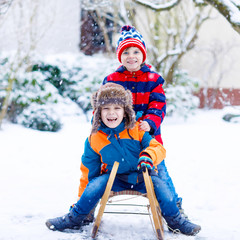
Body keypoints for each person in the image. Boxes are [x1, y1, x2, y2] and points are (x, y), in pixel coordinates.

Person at [45, 84, 201, 236]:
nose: (111, 113)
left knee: (163, 189)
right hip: (114, 178)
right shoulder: (95, 139)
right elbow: (88, 173)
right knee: (94, 185)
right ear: (98, 112)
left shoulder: (137, 130)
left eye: (117, 108)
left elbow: (158, 147)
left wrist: (148, 155)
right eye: (106, 108)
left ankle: (176, 221)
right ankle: (75, 217)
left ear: (125, 111)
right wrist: (84, 199)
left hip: (143, 177)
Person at [103, 25, 186, 216]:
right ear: (119, 56)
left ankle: (175, 208)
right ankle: (87, 206)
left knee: (161, 172)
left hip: (149, 138)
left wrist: (149, 122)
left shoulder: (153, 80)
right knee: (101, 170)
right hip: (121, 139)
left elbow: (158, 105)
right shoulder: (112, 80)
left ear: (143, 55)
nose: (131, 56)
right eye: (126, 52)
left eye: (135, 51)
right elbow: (102, 106)